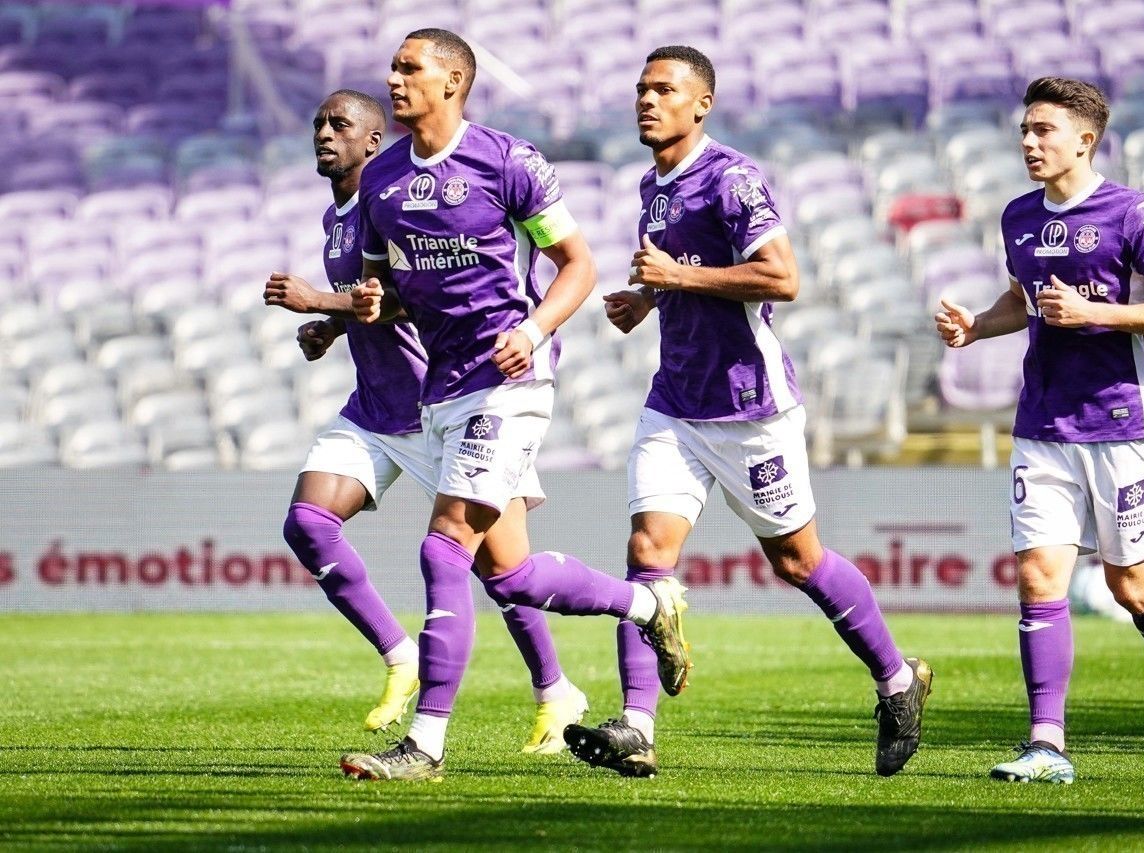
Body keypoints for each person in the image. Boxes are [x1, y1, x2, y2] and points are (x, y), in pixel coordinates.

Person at [562, 45, 932, 780]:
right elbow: (683, 276)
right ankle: (637, 725)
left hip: (749, 405)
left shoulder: (732, 177)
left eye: (665, 89)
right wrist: (649, 297)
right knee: (647, 552)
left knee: (798, 561)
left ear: (702, 104)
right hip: (675, 402)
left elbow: (781, 277)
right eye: (641, 89)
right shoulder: (652, 184)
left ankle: (897, 681)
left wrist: (676, 275)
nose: (647, 100)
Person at [331, 30, 692, 782]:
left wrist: (532, 330)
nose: (393, 80)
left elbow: (577, 265)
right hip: (442, 388)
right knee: (511, 575)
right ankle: (648, 607)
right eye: (392, 67)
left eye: (409, 68)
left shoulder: (507, 161)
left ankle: (425, 745)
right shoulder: (383, 180)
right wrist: (369, 303)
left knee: (444, 545)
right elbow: (387, 293)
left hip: (511, 380)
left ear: (453, 81)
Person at [262, 89, 588, 755]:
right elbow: (374, 299)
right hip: (374, 407)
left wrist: (318, 301)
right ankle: (399, 652)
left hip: (442, 402)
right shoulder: (341, 215)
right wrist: (332, 326)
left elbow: (419, 299)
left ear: (373, 140)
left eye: (339, 124)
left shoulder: (405, 198)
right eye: (318, 122)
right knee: (308, 522)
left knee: (503, 569)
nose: (324, 132)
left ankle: (556, 687)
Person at [935, 77, 1144, 784]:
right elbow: (1023, 300)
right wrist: (977, 326)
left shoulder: (1133, 214)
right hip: (1043, 423)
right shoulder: (1018, 217)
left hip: (1120, 424)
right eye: (1025, 131)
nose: (1029, 142)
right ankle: (1047, 743)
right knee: (1038, 575)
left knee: (1133, 586)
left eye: (1044, 130)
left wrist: (1097, 313)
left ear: (1085, 139)